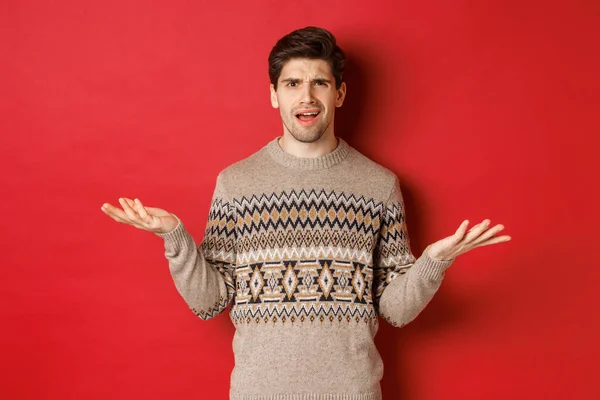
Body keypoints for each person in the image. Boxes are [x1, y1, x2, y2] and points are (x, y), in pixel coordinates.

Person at [101, 26, 511, 400]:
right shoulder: (236, 183)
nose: (307, 96)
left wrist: (434, 263)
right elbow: (210, 301)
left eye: (320, 83)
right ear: (274, 94)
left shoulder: (378, 185)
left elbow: (395, 310)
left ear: (340, 94)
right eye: (293, 83)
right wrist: (174, 236)